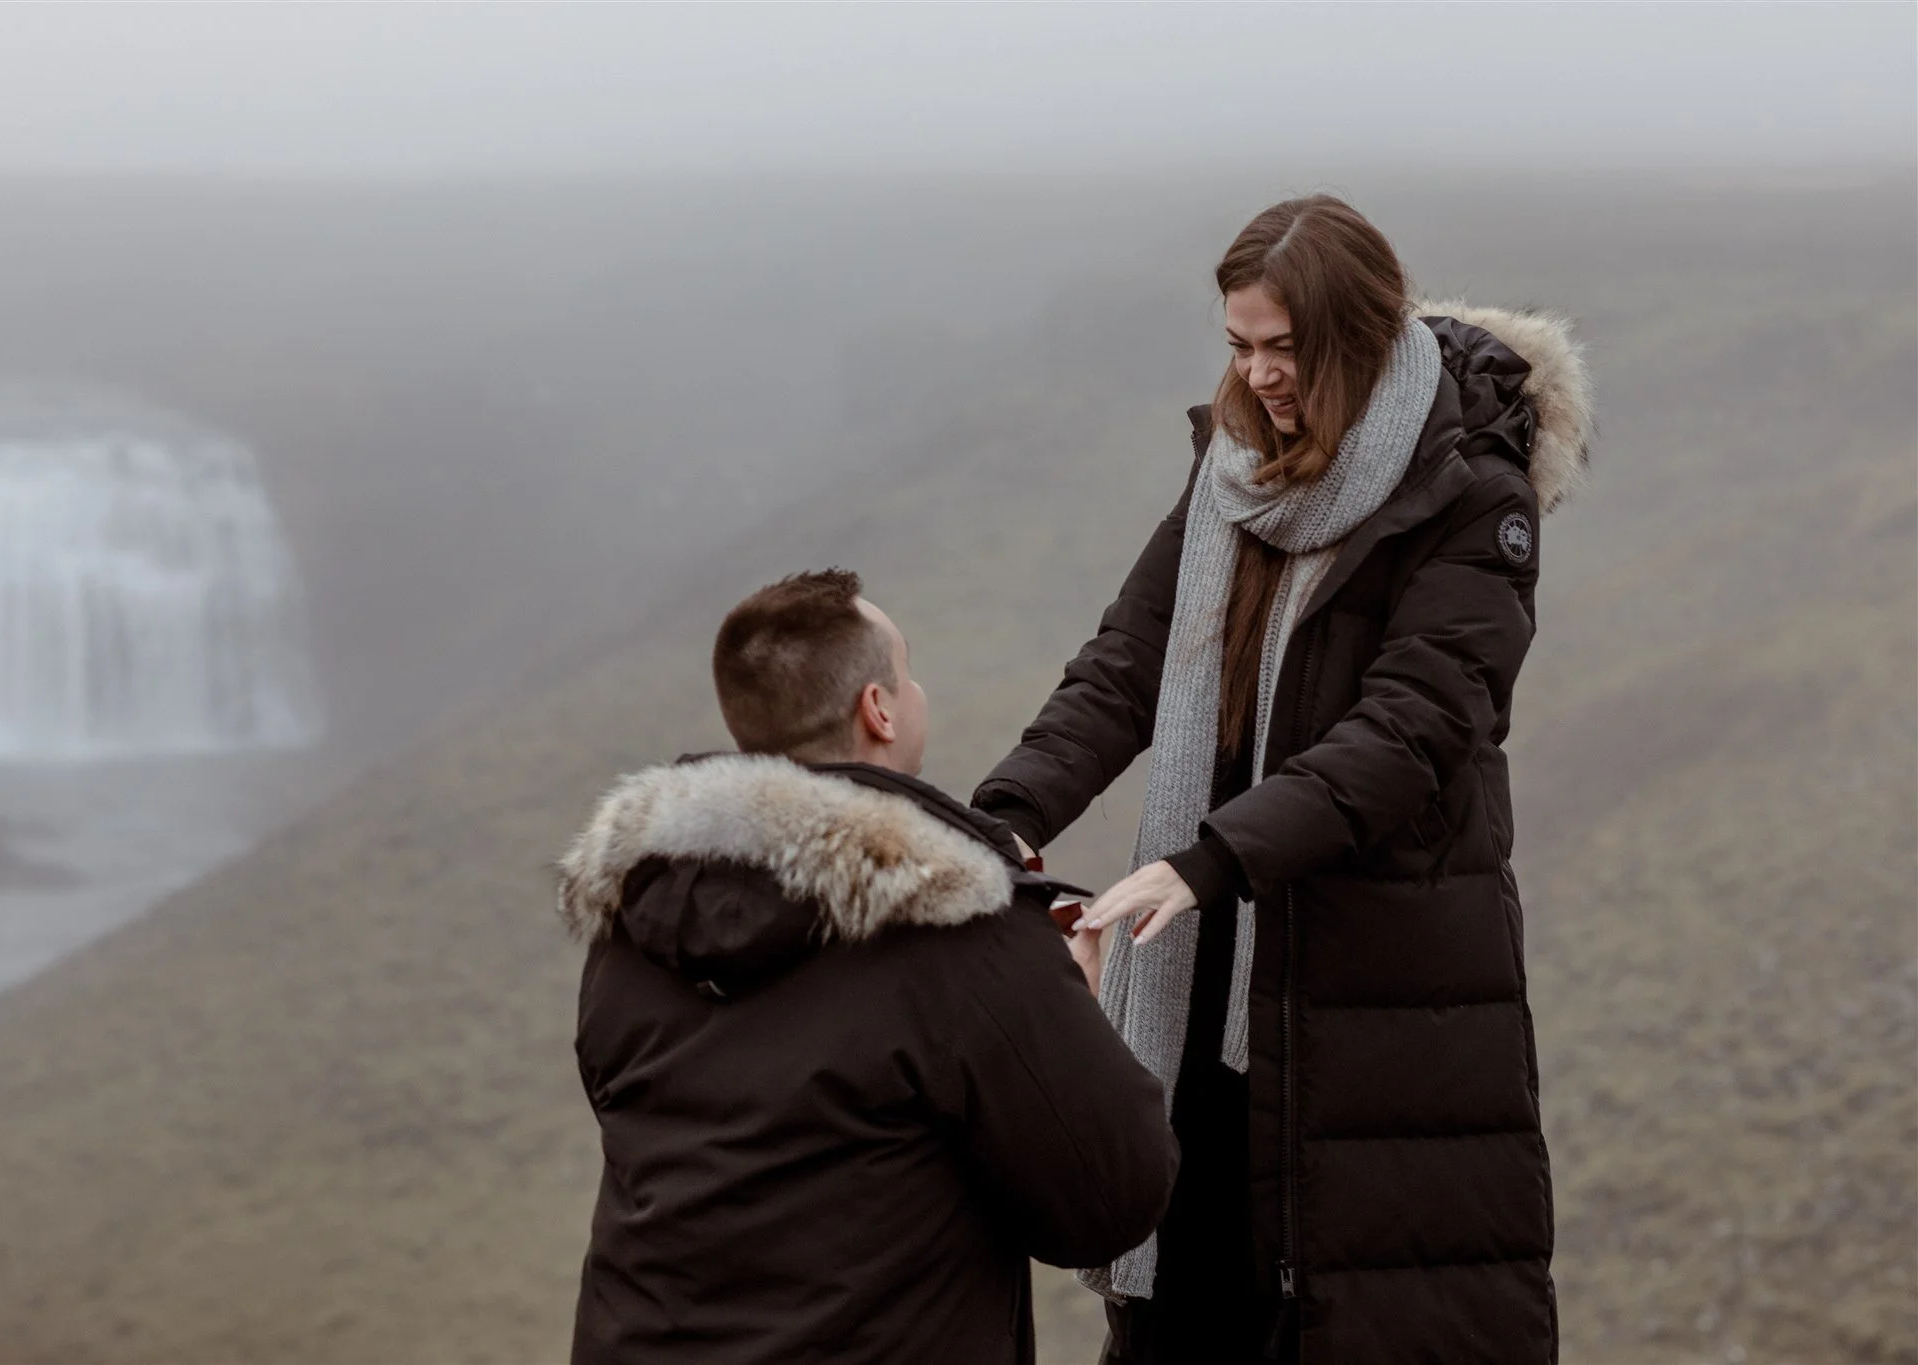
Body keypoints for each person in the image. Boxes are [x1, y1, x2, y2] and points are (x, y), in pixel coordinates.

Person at [972, 195, 1594, 1364]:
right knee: (1186, 1307)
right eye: (1238, 346)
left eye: (1284, 349)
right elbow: (1128, 662)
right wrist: (1001, 818)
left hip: (1368, 986)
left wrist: (1208, 863)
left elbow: (1412, 729)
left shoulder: (1469, 490)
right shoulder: (1232, 470)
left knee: (1349, 1311)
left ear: (1358, 335)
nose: (1257, 376)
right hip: (1204, 965)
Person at [556, 568, 1180, 1365]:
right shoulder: (961, 930)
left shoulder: (636, 918)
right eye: (907, 673)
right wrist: (1066, 1015)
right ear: (878, 709)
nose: (917, 691)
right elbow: (1110, 1199)